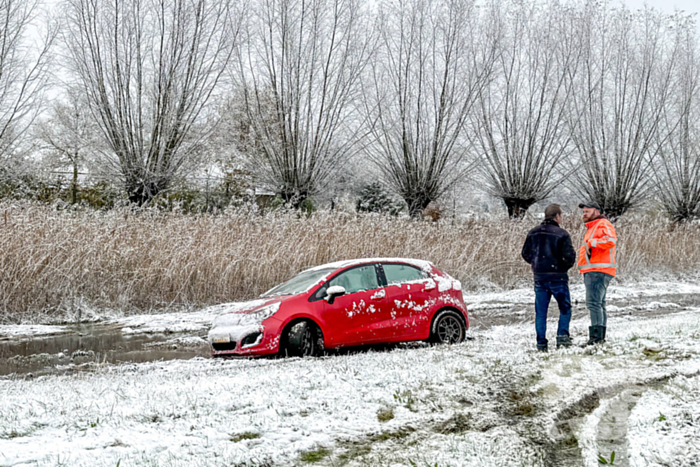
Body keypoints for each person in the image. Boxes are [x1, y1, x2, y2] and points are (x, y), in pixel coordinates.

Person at [521, 204, 577, 351]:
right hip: (558, 277)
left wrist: (536, 263)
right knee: (565, 308)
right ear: (557, 216)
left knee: (541, 312)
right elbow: (570, 257)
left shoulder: (533, 233)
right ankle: (562, 337)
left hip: (540, 277)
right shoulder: (562, 234)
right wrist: (562, 267)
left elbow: (525, 253)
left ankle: (541, 343)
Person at [578, 201, 617, 345]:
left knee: (594, 304)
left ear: (596, 211)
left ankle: (595, 339)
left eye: (587, 211)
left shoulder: (602, 224)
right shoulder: (594, 226)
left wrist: (591, 243)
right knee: (599, 304)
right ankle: (599, 337)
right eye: (583, 212)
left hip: (598, 270)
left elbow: (611, 241)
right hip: (597, 270)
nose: (584, 214)